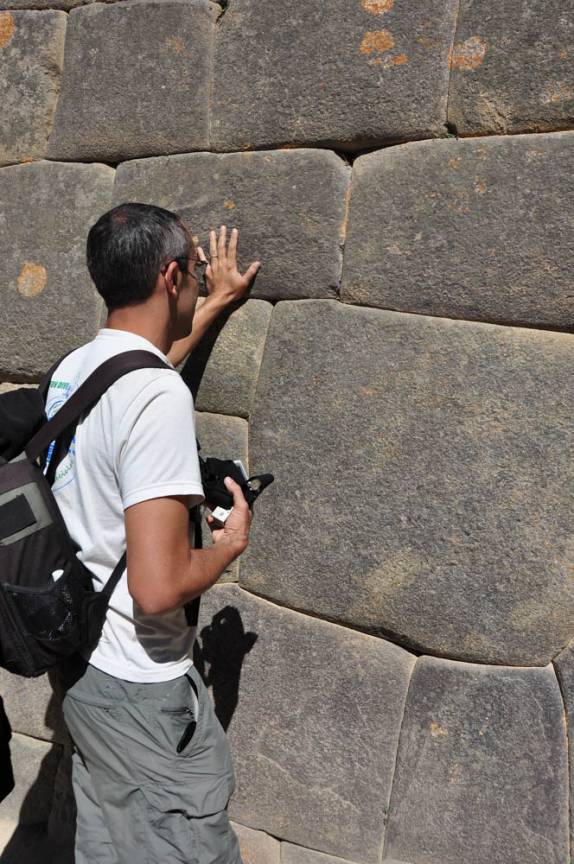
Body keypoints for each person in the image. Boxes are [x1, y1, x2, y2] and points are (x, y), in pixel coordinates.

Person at [48, 203, 260, 863]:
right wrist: (227, 545)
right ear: (170, 277)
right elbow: (158, 586)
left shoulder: (75, 371)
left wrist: (215, 302)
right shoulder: (158, 398)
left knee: (110, 843)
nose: (199, 274)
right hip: (141, 685)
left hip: (83, 664)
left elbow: (148, 367)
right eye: (196, 267)